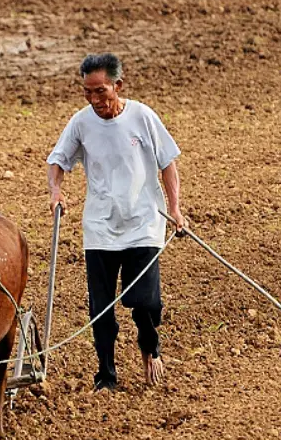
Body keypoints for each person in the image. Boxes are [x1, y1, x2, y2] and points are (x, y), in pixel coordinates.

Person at [46, 53, 187, 390]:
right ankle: (106, 375)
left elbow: (168, 163)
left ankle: (149, 344)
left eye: (101, 92)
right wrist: (55, 190)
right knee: (101, 309)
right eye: (87, 93)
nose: (95, 100)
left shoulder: (143, 116)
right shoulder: (81, 123)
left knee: (146, 302)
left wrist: (176, 208)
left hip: (144, 223)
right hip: (100, 228)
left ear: (118, 85)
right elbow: (58, 160)